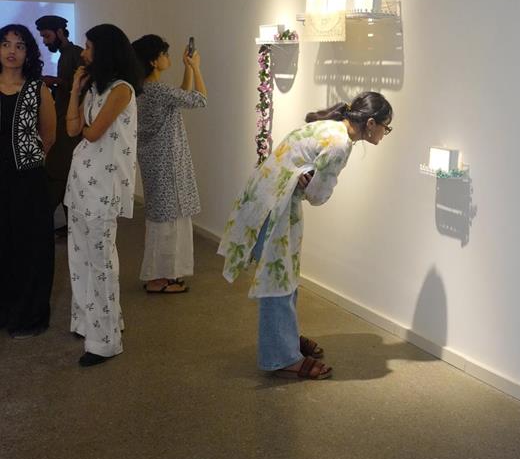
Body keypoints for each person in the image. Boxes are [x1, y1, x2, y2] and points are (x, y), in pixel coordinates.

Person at [219, 91, 393, 380]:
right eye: (386, 127)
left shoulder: (330, 127)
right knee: (277, 281)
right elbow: (318, 195)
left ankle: (285, 338)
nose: (385, 133)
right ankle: (282, 357)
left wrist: (306, 179)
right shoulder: (339, 143)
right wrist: (308, 184)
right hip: (275, 207)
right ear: (371, 123)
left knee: (285, 277)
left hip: (267, 198)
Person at [66, 24, 140, 367]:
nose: (84, 53)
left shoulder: (122, 89)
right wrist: (74, 91)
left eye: (89, 46)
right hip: (81, 183)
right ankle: (87, 323)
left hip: (103, 188)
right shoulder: (95, 88)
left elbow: (93, 133)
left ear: (105, 51)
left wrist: (84, 124)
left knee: (101, 263)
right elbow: (73, 129)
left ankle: (106, 341)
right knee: (80, 259)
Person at [131, 34, 207, 294]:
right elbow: (200, 99)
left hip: (156, 163)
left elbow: (181, 95)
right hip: (167, 164)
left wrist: (187, 68)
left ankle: (164, 275)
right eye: (164, 54)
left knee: (163, 220)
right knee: (168, 223)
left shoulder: (144, 90)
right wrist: (196, 67)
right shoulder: (158, 91)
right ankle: (160, 278)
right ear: (153, 61)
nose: (168, 57)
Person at [0, 24, 57, 338]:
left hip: (27, 180)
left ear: (28, 53)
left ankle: (28, 315)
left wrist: (27, 158)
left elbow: (49, 135)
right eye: (6, 44)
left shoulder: (38, 89)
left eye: (19, 46)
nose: (12, 51)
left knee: (29, 246)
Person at [35, 15, 84, 237]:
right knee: (63, 175)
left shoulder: (75, 53)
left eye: (47, 36)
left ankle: (39, 223)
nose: (45, 41)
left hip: (69, 127)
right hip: (61, 122)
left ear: (60, 32)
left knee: (56, 171)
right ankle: (70, 226)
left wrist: (54, 82)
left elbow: (84, 87)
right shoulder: (65, 55)